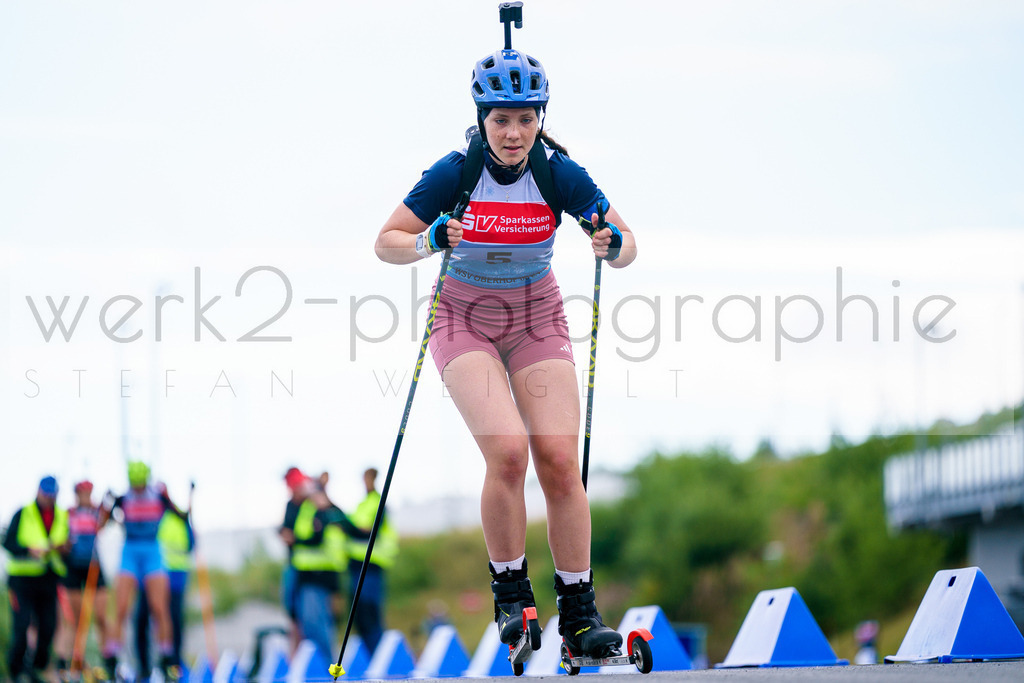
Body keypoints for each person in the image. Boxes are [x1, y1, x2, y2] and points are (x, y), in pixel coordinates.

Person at [374, 41, 636, 659]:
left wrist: (609, 242)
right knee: (509, 452)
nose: (514, 133)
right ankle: (511, 594)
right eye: (501, 119)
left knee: (557, 460)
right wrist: (431, 238)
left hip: (536, 314)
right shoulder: (455, 172)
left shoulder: (559, 172)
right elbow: (386, 242)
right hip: (463, 316)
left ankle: (578, 614)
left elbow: (628, 246)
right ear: (481, 117)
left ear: (540, 116)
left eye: (525, 118)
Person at [99, 461, 187, 681]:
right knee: (120, 608)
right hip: (130, 551)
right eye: (134, 484)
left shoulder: (158, 496)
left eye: (141, 484)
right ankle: (113, 657)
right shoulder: (123, 498)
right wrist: (106, 502)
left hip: (152, 551)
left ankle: (167, 657)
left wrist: (175, 496)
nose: (137, 489)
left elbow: (183, 516)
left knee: (159, 607)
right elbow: (101, 525)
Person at [4, 476, 69, 683]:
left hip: (48, 580)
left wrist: (62, 548)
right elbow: (8, 542)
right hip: (22, 581)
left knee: (48, 627)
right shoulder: (23, 513)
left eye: (52, 494)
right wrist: (28, 551)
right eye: (45, 493)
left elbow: (68, 546)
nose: (48, 498)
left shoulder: (61, 515)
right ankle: (16, 671)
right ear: (38, 491)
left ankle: (36, 669)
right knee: (22, 626)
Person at [55, 480, 111, 678]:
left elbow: (103, 525)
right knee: (78, 621)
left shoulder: (97, 511)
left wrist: (107, 506)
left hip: (94, 566)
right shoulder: (68, 513)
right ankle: (74, 662)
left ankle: (109, 661)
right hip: (74, 567)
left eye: (89, 492)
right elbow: (59, 539)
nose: (86, 496)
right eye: (82, 493)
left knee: (101, 617)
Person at [134, 506, 194, 678]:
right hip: (151, 575)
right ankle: (144, 666)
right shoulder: (151, 517)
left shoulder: (179, 518)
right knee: (143, 619)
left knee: (174, 619)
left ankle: (172, 663)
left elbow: (190, 544)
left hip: (175, 574)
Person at [345, 468, 397, 655]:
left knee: (370, 614)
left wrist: (346, 526)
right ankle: (371, 656)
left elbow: (368, 531)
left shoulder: (377, 502)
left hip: (371, 566)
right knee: (359, 617)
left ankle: (379, 656)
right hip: (356, 566)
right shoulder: (363, 504)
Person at [279, 466, 312, 654]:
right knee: (293, 615)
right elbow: (285, 530)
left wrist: (295, 538)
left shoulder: (310, 504)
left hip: (310, 572)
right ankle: (297, 655)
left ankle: (307, 655)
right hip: (293, 565)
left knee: (308, 617)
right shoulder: (290, 505)